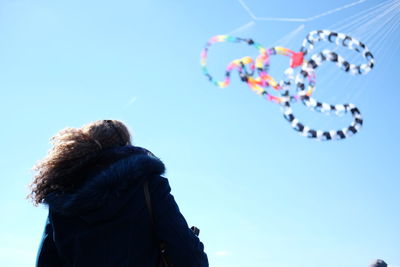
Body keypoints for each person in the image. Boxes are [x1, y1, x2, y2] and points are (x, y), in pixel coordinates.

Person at [29, 119, 208, 267]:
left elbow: (46, 262)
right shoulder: (147, 183)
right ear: (125, 145)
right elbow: (187, 253)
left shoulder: (63, 195)